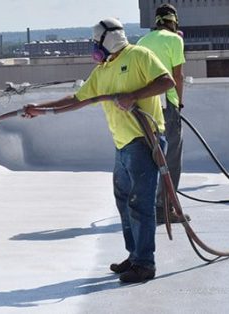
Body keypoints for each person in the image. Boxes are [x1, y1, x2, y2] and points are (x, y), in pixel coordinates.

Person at [23, 17, 175, 283]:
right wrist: (41, 108)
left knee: (141, 205)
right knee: (124, 202)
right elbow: (77, 98)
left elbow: (166, 82)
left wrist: (133, 95)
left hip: (144, 141)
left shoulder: (139, 55)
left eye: (96, 40)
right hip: (123, 145)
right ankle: (135, 255)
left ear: (108, 38)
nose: (94, 46)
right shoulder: (103, 71)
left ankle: (145, 264)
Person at [136, 3, 186, 224]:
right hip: (167, 105)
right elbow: (178, 77)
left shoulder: (141, 42)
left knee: (150, 157)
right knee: (171, 157)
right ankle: (165, 209)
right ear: (173, 21)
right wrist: (179, 103)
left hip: (145, 109)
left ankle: (148, 207)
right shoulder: (175, 40)